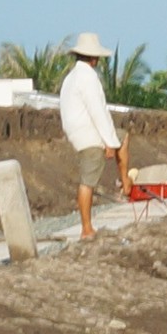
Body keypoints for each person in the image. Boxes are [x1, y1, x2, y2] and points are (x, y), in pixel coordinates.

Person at [56, 33, 131, 241]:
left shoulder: (70, 78)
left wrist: (112, 141)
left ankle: (125, 182)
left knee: (123, 138)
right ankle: (86, 228)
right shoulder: (87, 77)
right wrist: (108, 142)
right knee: (87, 181)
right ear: (94, 58)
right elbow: (97, 110)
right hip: (88, 133)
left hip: (77, 131)